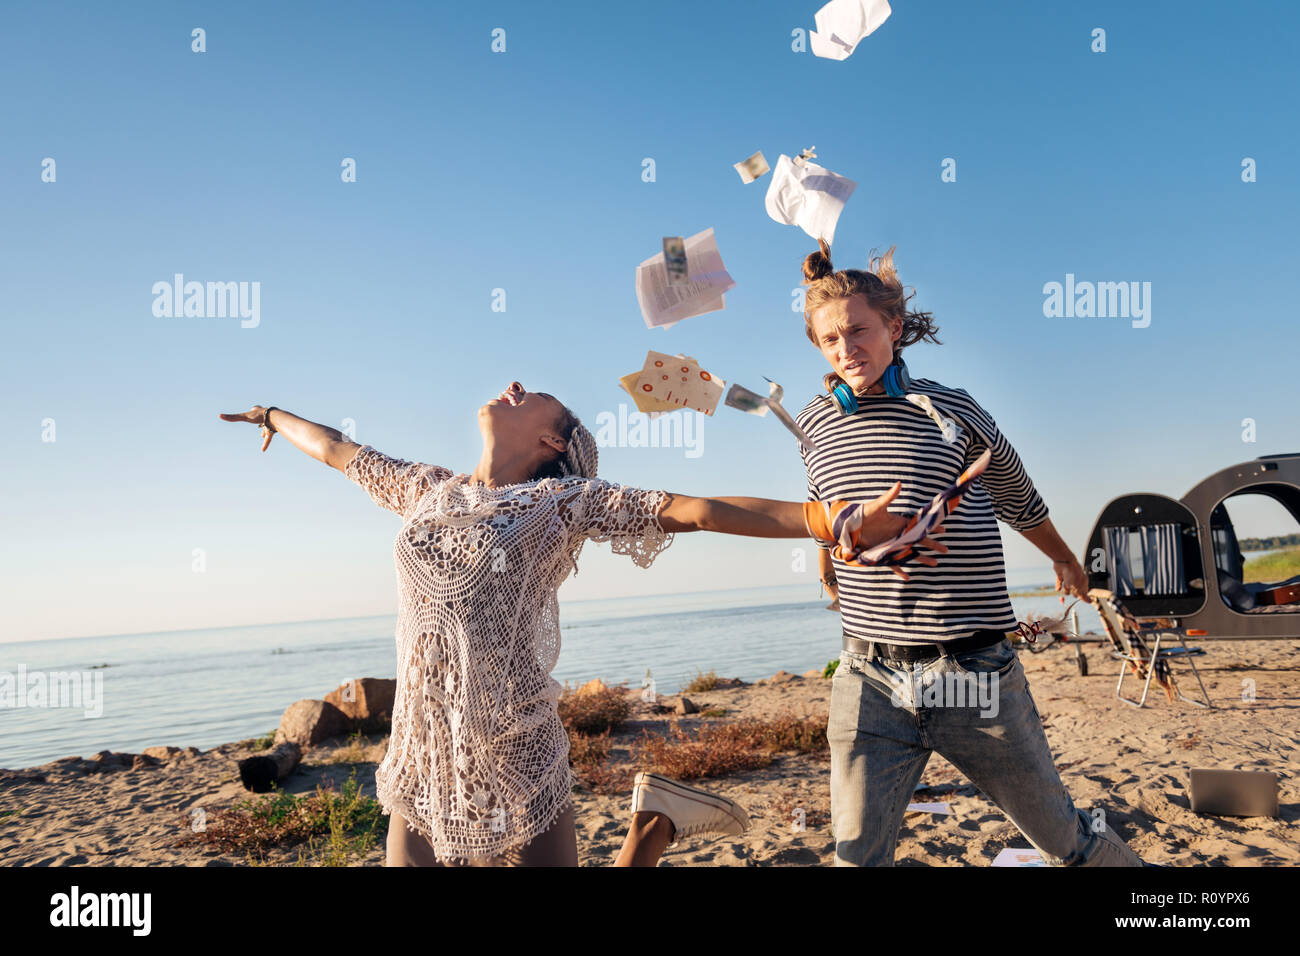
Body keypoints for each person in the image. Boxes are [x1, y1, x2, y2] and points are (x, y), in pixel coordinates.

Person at [220, 381, 946, 866]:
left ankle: (654, 825)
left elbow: (699, 510)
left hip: (513, 747)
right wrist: (272, 418)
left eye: (532, 394)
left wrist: (832, 519)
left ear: (552, 444)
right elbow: (341, 451)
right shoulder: (424, 489)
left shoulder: (561, 504)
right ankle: (656, 819)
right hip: (421, 750)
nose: (511, 386)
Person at [794, 240, 1145, 867]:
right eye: (829, 340)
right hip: (868, 677)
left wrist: (1064, 557)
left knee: (1063, 840)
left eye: (858, 331)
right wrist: (830, 563)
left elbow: (1016, 494)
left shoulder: (952, 409)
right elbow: (824, 510)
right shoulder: (814, 422)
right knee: (854, 858)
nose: (846, 349)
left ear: (893, 329)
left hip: (974, 674)